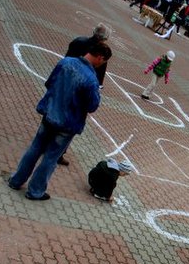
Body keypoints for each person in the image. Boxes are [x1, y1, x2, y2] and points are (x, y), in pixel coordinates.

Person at [8, 43, 111, 201]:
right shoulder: (91, 79)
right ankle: (35, 191)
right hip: (67, 123)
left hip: (50, 113)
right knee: (50, 157)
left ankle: (16, 180)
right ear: (99, 57)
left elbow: (49, 83)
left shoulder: (66, 62)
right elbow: (92, 106)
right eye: (103, 61)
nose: (101, 65)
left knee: (35, 147)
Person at [57, 23, 112, 166]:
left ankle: (47, 143)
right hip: (79, 96)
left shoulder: (78, 41)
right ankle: (59, 152)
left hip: (63, 86)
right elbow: (98, 82)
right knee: (69, 124)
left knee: (54, 113)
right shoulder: (101, 54)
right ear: (105, 39)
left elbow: (65, 62)